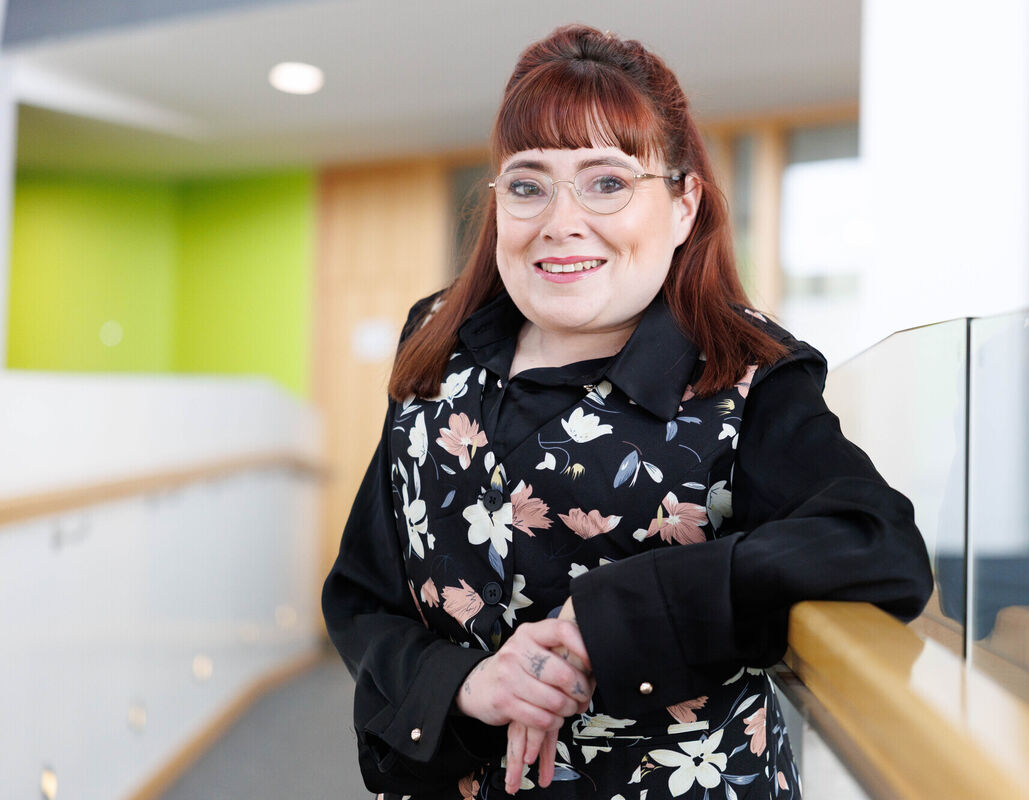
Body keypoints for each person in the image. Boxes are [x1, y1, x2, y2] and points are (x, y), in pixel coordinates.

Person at [322, 24, 932, 800]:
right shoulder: (436, 342)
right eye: (527, 183)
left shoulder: (750, 379)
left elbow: (877, 548)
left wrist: (612, 619)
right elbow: (363, 595)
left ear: (683, 205)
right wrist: (466, 685)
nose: (559, 221)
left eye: (606, 182)